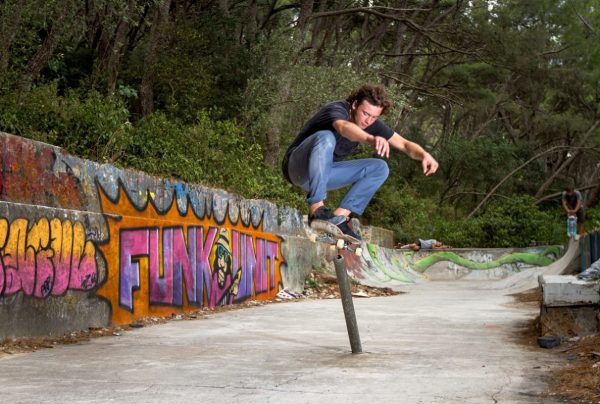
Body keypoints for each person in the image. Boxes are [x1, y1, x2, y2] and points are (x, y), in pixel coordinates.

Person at [282, 84, 438, 240]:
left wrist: (424, 155)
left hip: (324, 174)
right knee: (326, 137)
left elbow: (404, 144)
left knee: (379, 168)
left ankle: (338, 219)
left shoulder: (371, 123)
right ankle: (316, 211)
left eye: (374, 117)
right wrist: (370, 139)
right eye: (365, 113)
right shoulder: (337, 109)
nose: (368, 121)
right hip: (297, 167)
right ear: (355, 105)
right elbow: (343, 127)